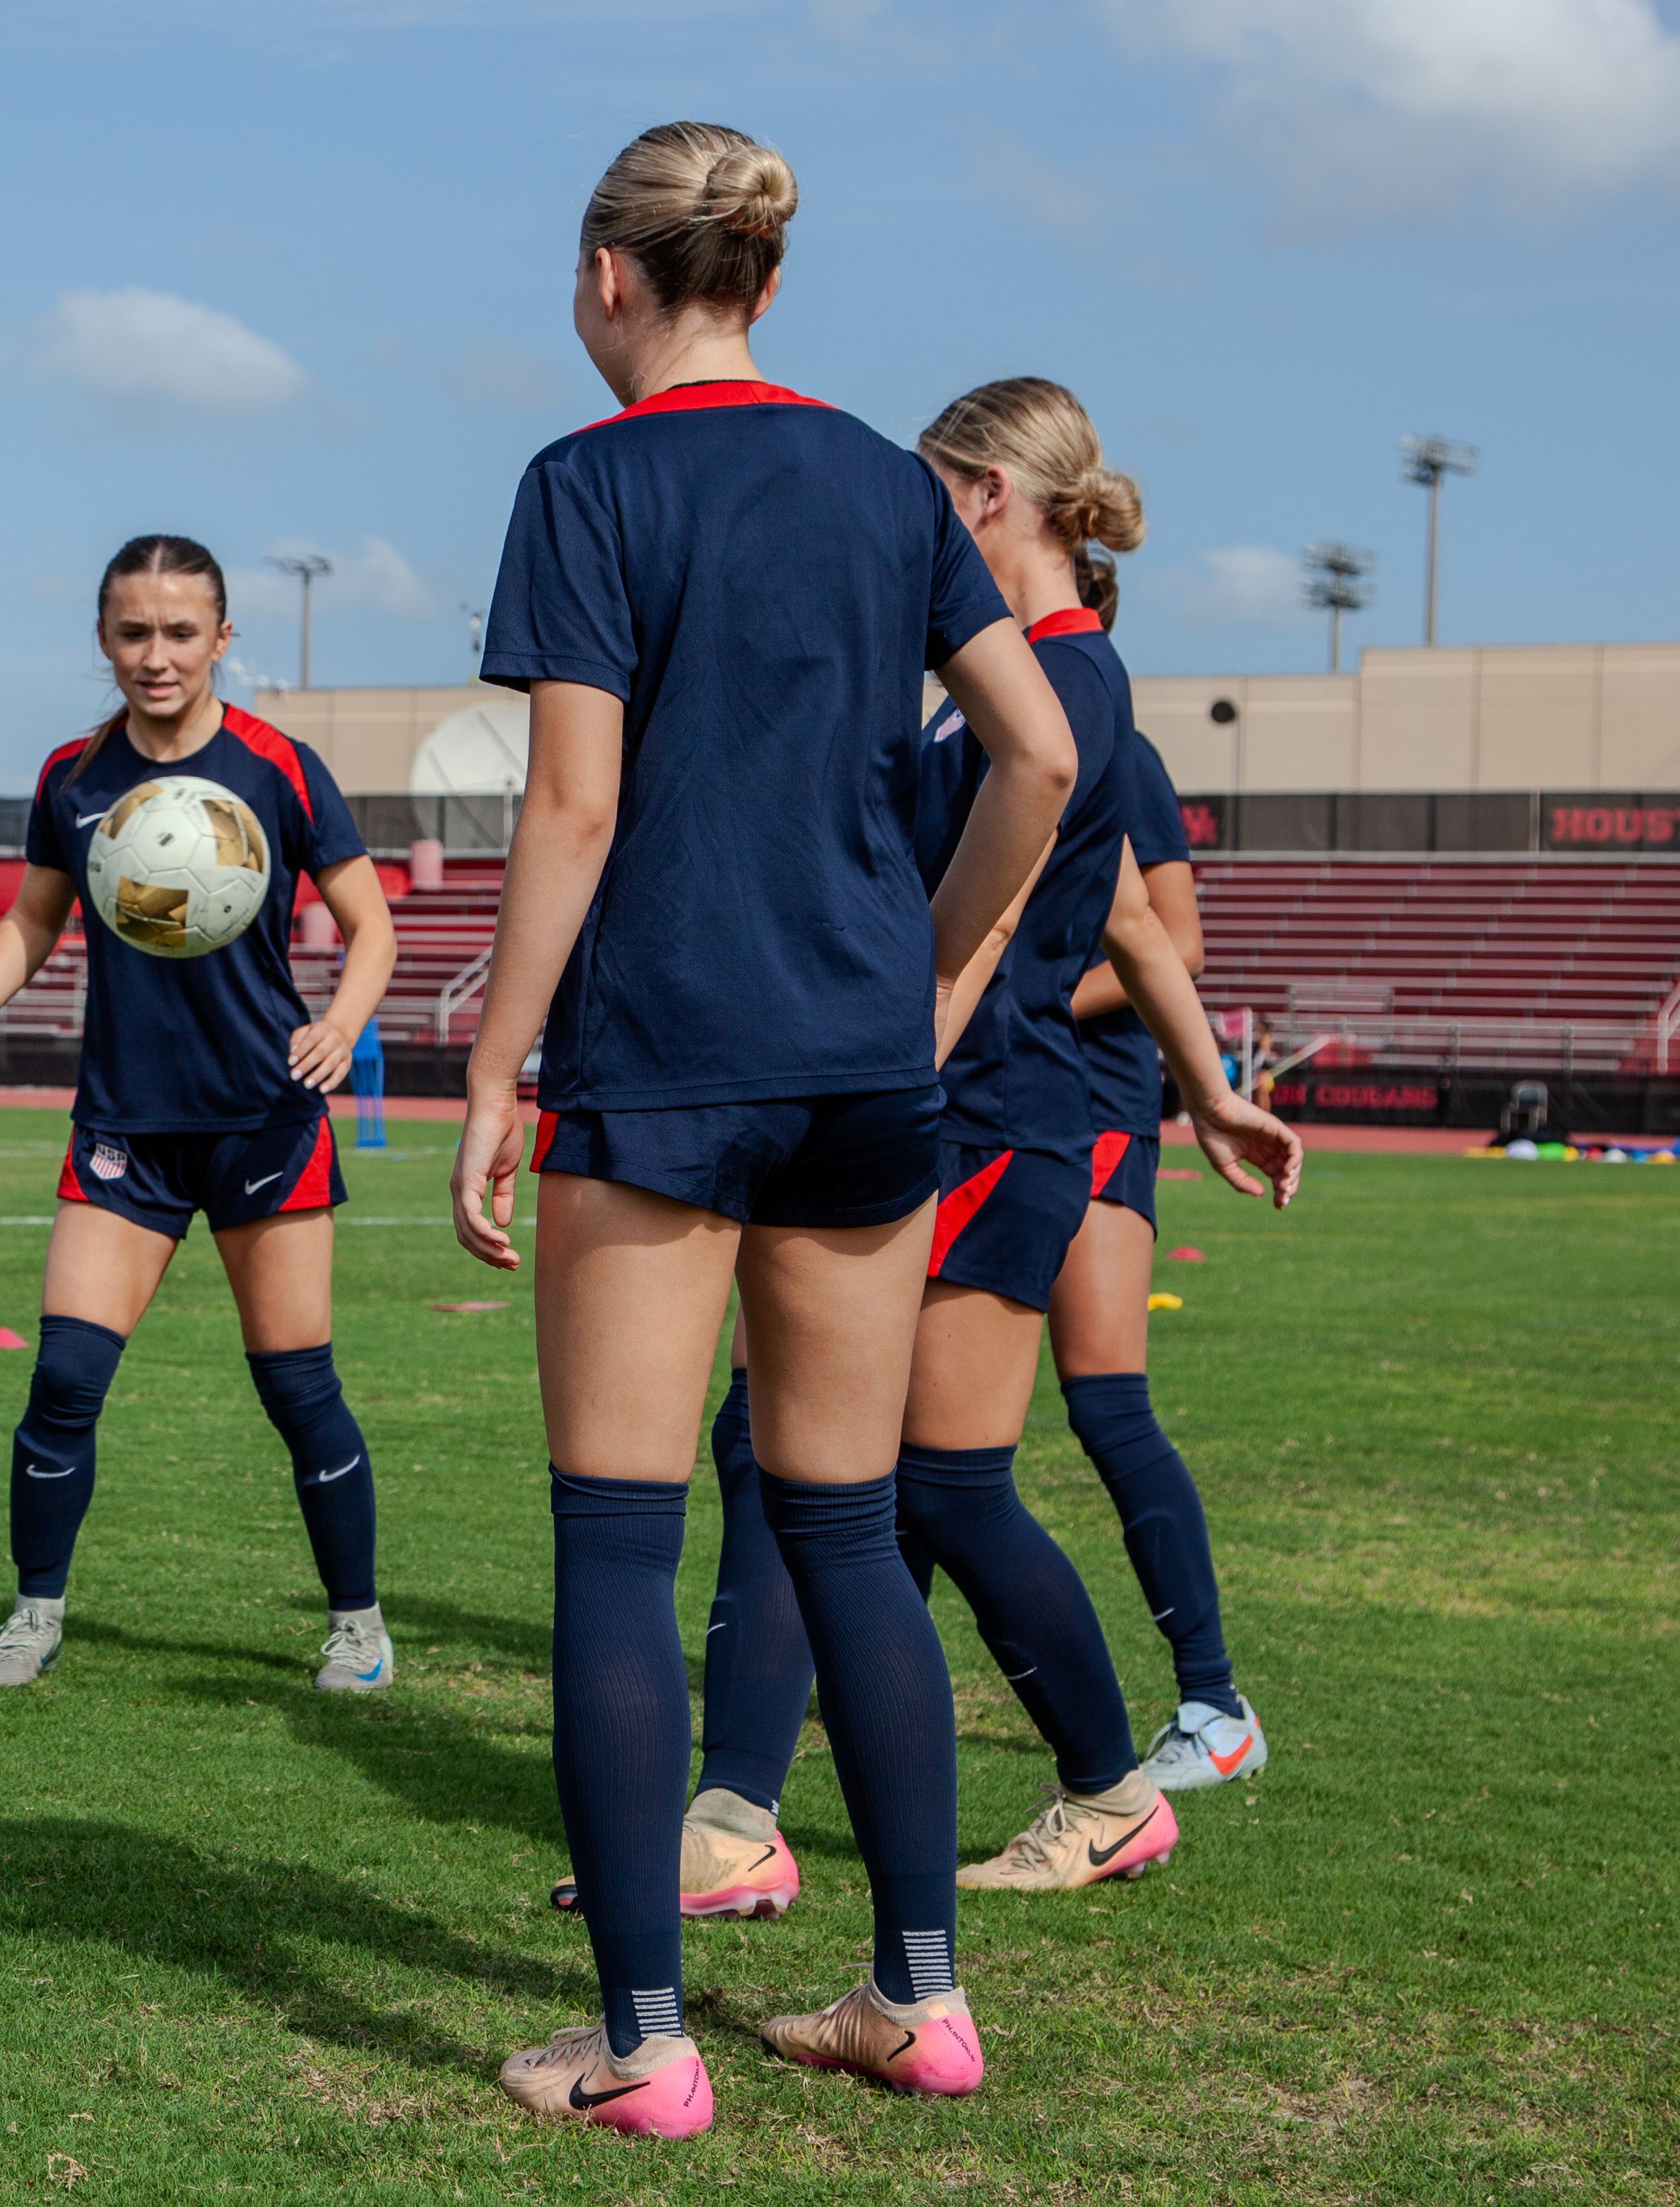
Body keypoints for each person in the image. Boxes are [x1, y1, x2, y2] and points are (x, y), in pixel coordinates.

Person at [454, 121, 1081, 2135]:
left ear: (608, 281)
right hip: (856, 1066)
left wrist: (491, 1060)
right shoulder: (884, 481)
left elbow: (566, 807)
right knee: (841, 1531)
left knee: (620, 1542)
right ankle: (918, 1996)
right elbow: (1038, 751)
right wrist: (929, 969)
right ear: (768, 284)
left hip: (660, 1057)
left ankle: (639, 2043)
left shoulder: (583, 477)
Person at [894, 379, 1300, 1893]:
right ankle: (747, 1790)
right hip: (1001, 1099)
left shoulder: (1068, 688)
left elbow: (1085, 924)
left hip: (1013, 1106)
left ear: (994, 493)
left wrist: (908, 1043)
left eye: (935, 493)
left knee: (968, 1467)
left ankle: (1149, 1752)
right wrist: (1209, 1084)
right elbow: (1123, 910)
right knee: (847, 1468)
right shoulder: (1009, 685)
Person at [0, 535, 398, 1695]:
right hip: (126, 1129)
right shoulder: (73, 777)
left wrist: (340, 1025)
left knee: (298, 1390)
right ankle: (33, 1613)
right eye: (134, 633)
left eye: (180, 632)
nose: (157, 656)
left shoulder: (276, 768)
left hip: (264, 1117)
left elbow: (371, 924)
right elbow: (30, 921)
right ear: (103, 640)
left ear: (221, 638)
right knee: (63, 1380)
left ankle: (356, 1622)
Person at [1054, 726, 1266, 1789]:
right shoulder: (972, 727)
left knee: (1104, 1405)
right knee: (925, 1440)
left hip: (1085, 1103)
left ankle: (1213, 1704)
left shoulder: (1106, 742)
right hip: (997, 1106)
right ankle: (854, 1668)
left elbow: (1171, 943)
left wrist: (1029, 995)